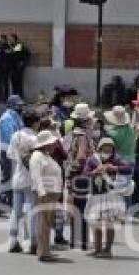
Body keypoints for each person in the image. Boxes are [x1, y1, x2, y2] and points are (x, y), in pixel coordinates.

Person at [83, 138, 132, 258]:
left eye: (110, 146)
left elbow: (128, 169)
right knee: (96, 222)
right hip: (96, 195)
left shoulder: (116, 159)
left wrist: (114, 168)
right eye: (105, 146)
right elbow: (85, 173)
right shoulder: (93, 159)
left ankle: (107, 249)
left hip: (111, 195)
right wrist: (95, 171)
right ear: (100, 147)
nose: (108, 148)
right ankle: (98, 249)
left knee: (109, 223)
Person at [63, 104, 96, 251]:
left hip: (71, 174)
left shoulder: (71, 133)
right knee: (81, 207)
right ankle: (81, 240)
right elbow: (81, 157)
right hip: (81, 175)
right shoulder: (82, 136)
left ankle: (73, 240)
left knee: (73, 206)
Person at [7, 108, 39, 254]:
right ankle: (32, 241)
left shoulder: (16, 136)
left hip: (17, 176)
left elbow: (11, 157)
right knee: (32, 210)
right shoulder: (35, 139)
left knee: (16, 211)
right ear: (35, 123)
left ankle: (13, 241)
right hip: (31, 179)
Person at [30, 131, 63, 262]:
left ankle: (45, 249)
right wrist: (42, 193)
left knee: (47, 223)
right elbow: (36, 176)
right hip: (46, 193)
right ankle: (43, 251)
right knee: (44, 223)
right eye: (52, 143)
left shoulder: (46, 156)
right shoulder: (37, 156)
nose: (54, 145)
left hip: (52, 193)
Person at [0, 95, 25, 218]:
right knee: (7, 178)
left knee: (14, 178)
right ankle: (2, 206)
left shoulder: (16, 117)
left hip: (15, 151)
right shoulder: (7, 118)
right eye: (18, 105)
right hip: (8, 152)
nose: (20, 107)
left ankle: (12, 205)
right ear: (11, 105)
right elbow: (11, 137)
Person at [10, 34, 30, 98]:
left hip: (18, 66)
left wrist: (23, 62)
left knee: (19, 82)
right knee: (13, 82)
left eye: (11, 39)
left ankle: (20, 97)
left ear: (15, 39)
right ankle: (14, 97)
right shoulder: (12, 46)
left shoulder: (19, 45)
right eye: (10, 39)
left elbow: (26, 54)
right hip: (12, 67)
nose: (10, 40)